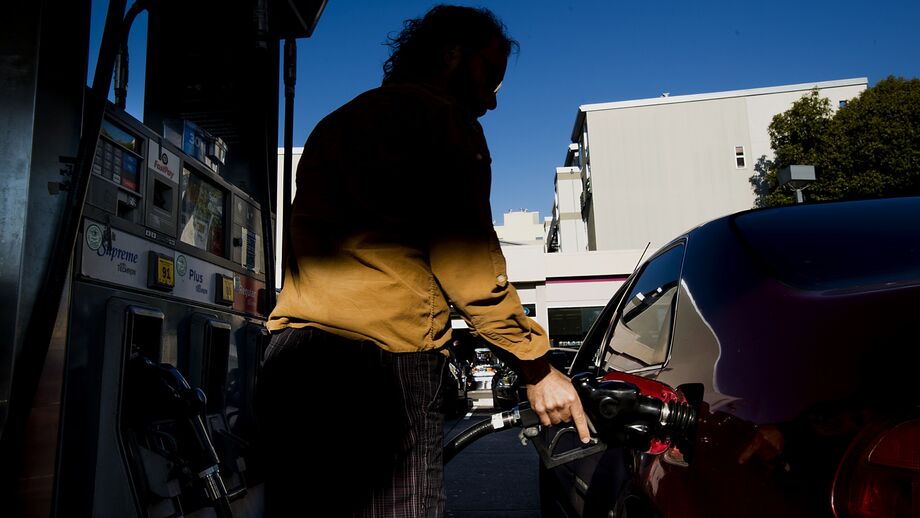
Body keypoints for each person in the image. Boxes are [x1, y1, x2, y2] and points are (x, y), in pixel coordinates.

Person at [256, 5, 589, 517]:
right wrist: (537, 367)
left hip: (292, 362)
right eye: (489, 77)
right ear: (453, 54)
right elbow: (470, 267)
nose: (491, 102)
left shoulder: (334, 127)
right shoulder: (443, 120)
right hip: (380, 367)